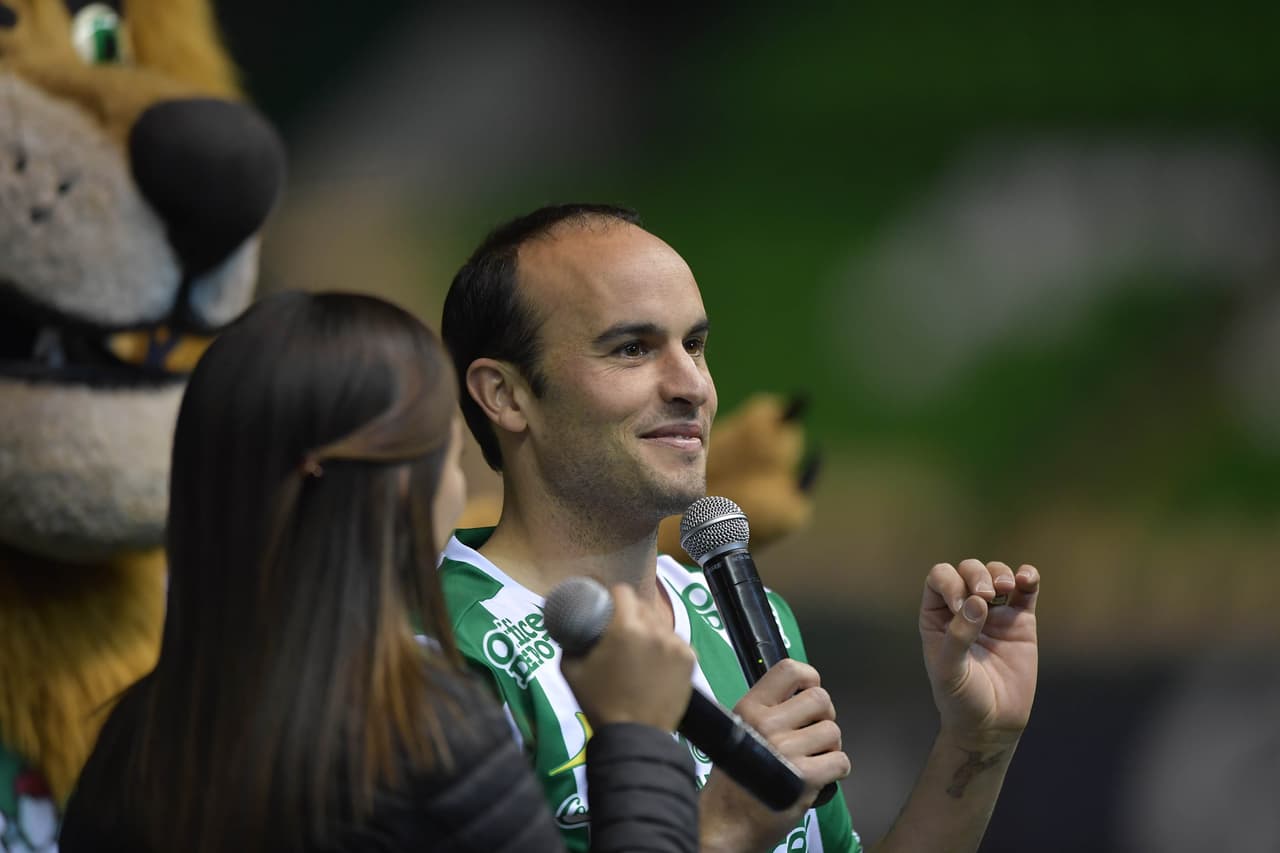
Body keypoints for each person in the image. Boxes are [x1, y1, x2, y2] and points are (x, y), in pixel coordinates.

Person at [438, 203, 1042, 853]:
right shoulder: (436, 650)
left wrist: (975, 742)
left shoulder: (754, 620)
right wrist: (721, 826)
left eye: (694, 345)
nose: (691, 384)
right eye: (632, 348)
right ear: (504, 395)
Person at [57, 291, 702, 853]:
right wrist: (637, 736)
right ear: (401, 493)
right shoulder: (424, 737)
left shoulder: (136, 739)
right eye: (451, 458)